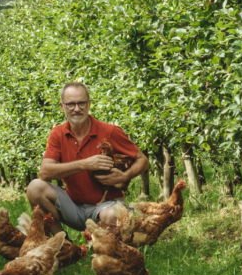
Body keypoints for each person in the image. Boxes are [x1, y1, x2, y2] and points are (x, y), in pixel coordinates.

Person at [26, 82, 149, 235]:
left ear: (89, 103)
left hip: (106, 205)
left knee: (112, 216)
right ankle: (63, 244)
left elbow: (143, 160)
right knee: (34, 187)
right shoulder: (57, 133)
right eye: (70, 104)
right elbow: (44, 172)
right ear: (62, 106)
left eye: (81, 103)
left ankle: (110, 250)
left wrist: (125, 176)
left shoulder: (110, 131)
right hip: (73, 207)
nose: (76, 109)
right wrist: (85, 164)